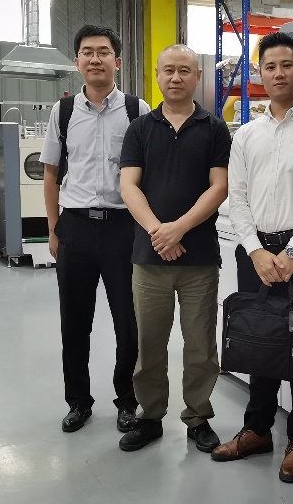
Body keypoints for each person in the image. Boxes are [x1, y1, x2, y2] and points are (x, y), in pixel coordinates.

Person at [211, 32, 293, 483]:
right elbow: (237, 196)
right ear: (260, 74)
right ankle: (257, 430)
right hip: (255, 251)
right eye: (270, 66)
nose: (278, 73)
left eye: (287, 65)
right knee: (259, 341)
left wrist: (291, 251)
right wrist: (255, 250)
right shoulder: (247, 134)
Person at [118, 44, 231, 453]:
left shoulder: (214, 128)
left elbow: (219, 186)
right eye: (168, 70)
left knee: (200, 345)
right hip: (149, 259)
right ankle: (150, 417)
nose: (176, 77)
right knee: (149, 345)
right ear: (157, 75)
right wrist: (158, 232)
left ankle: (198, 417)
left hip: (199, 259)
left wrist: (179, 229)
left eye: (185, 70)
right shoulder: (139, 129)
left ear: (197, 77)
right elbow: (128, 186)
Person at [41, 25, 151, 434]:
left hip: (125, 228)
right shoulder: (63, 112)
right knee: (74, 322)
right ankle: (78, 401)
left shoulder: (138, 110)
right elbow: (51, 173)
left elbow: (149, 173)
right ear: (77, 62)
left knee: (129, 322)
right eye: (87, 52)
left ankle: (127, 401)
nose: (95, 58)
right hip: (76, 227)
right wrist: (53, 228)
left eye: (103, 52)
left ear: (117, 62)